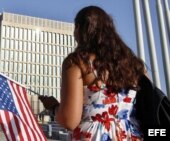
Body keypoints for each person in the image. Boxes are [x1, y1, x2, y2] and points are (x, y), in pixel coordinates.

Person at [39, 5, 146, 140]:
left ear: (78, 28)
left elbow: (70, 121)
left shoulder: (77, 62)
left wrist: (54, 107)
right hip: (131, 134)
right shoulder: (134, 65)